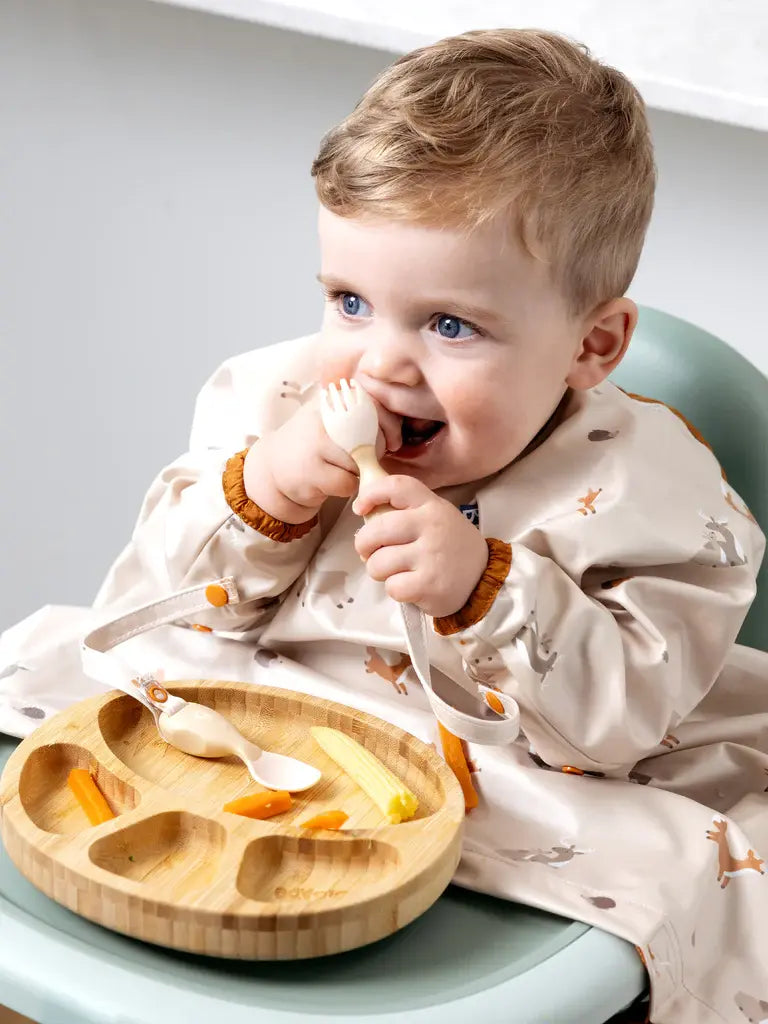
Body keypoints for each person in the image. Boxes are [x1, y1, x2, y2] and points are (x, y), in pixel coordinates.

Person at [2, 29, 768, 1023]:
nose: (382, 366)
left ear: (593, 343)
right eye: (351, 302)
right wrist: (264, 496)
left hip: (510, 793)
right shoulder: (273, 400)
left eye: (449, 326)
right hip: (252, 719)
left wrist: (484, 588)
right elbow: (154, 608)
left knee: (681, 884)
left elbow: (618, 723)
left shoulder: (656, 495)